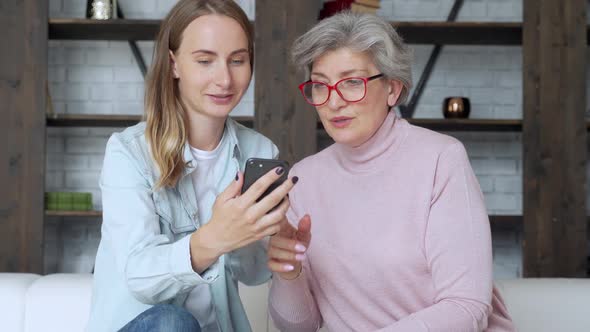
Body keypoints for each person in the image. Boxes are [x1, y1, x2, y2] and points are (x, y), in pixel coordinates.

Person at [267, 11, 516, 332]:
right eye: (320, 85)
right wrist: (289, 272)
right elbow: (300, 327)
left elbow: (467, 307)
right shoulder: (304, 180)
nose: (334, 102)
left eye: (352, 82)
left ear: (393, 90)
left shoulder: (441, 159)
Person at [87, 1, 297, 331]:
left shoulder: (259, 150)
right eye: (205, 61)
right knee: (172, 322)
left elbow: (254, 274)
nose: (225, 79)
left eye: (237, 60)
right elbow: (140, 276)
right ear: (174, 64)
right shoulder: (128, 153)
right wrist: (214, 237)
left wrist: (276, 246)